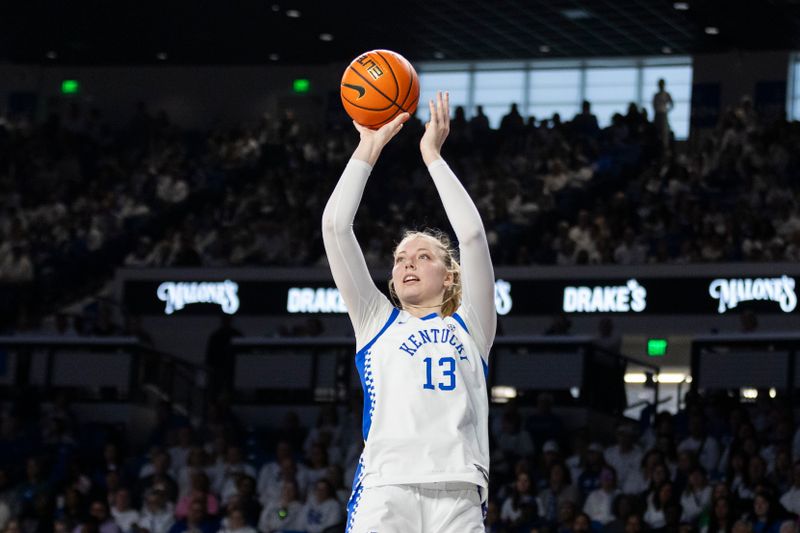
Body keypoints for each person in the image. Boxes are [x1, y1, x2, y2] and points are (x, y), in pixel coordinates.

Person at [321, 91, 496, 532]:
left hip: (459, 489)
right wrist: (367, 147)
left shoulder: (472, 325)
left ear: (450, 276)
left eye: (423, 257)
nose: (407, 264)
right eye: (400, 259)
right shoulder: (375, 321)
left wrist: (432, 155)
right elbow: (335, 228)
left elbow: (472, 236)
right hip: (387, 487)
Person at [652, 79, 674, 153]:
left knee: (664, 133)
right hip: (657, 114)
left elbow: (672, 104)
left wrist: (666, 110)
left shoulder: (667, 94)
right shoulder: (656, 95)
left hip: (663, 114)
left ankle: (665, 148)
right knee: (656, 132)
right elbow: (654, 105)